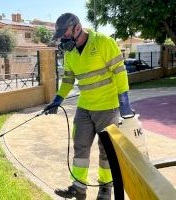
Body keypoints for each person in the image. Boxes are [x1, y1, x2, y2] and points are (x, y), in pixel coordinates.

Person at [44, 13, 134, 200]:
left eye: (65, 34)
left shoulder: (102, 42)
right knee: (80, 147)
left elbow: (119, 71)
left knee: (106, 151)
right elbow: (68, 79)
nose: (63, 39)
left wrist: (124, 102)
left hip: (108, 107)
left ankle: (105, 190)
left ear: (77, 28)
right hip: (85, 107)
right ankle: (78, 188)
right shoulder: (70, 53)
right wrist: (58, 98)